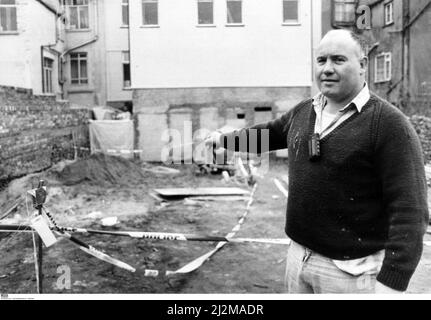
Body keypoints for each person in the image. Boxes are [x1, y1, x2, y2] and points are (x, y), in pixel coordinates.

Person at [206, 29, 429, 294]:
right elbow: (267, 135)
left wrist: (393, 281)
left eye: (338, 60)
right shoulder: (305, 111)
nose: (327, 69)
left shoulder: (389, 125)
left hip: (350, 271)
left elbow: (410, 209)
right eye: (321, 60)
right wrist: (225, 140)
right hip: (298, 257)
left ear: (363, 65)